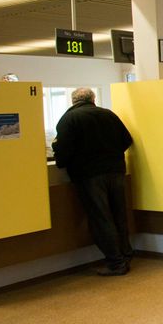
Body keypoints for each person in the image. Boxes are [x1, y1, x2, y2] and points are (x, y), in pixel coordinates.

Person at [53, 87, 134, 276]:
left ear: (73, 101)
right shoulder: (108, 115)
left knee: (101, 218)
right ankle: (126, 254)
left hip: (89, 175)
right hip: (116, 171)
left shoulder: (68, 120)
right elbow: (126, 140)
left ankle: (116, 263)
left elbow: (62, 153)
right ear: (93, 98)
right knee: (118, 215)